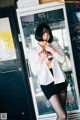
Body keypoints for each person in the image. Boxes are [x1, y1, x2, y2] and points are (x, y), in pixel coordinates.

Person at [28, 22, 67, 120]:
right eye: (44, 33)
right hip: (47, 84)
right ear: (39, 34)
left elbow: (63, 60)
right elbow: (35, 72)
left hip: (60, 81)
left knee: (61, 114)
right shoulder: (33, 51)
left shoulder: (54, 44)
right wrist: (41, 59)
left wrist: (52, 50)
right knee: (63, 116)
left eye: (48, 33)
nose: (47, 35)